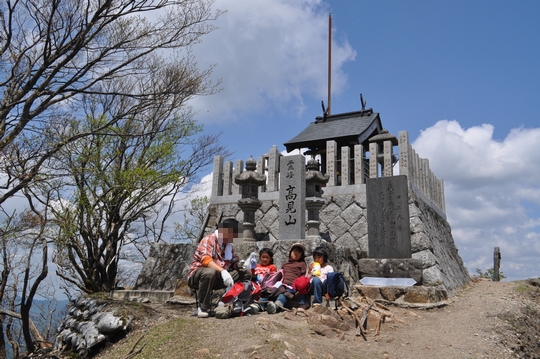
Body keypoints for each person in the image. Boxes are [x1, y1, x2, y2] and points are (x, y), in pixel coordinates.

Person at [187, 218, 251, 318]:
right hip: (199, 277)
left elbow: (233, 261)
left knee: (246, 273)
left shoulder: (229, 245)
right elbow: (206, 260)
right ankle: (203, 307)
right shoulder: (208, 239)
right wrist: (223, 271)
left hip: (218, 278)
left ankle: (235, 302)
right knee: (210, 272)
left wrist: (239, 264)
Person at [267, 243, 307, 313]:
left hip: (293, 286)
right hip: (283, 285)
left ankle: (276, 306)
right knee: (274, 291)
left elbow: (302, 277)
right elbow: (280, 275)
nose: (296, 253)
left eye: (299, 252)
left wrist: (299, 289)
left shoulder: (301, 264)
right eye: (294, 251)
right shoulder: (285, 264)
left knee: (283, 293)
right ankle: (260, 305)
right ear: (290, 252)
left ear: (301, 256)